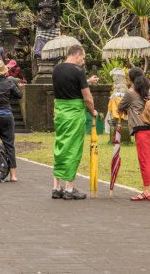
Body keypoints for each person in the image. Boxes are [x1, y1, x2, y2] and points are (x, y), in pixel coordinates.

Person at [51, 45, 97, 200]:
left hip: (60, 112)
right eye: (83, 58)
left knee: (60, 146)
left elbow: (68, 87)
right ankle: (69, 188)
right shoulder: (78, 71)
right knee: (73, 149)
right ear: (77, 55)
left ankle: (56, 187)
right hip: (74, 113)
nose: (83, 62)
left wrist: (87, 81)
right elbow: (87, 98)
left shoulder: (56, 69)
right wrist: (93, 112)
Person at [117, 68, 150, 201]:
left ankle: (146, 191)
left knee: (144, 160)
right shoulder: (148, 91)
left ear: (130, 79)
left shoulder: (130, 93)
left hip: (142, 130)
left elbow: (120, 107)